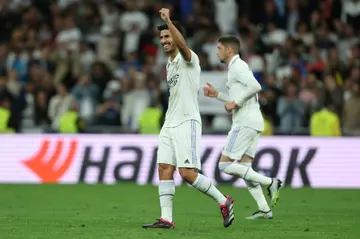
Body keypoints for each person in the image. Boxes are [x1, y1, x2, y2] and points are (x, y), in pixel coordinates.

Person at [142, 8, 235, 229]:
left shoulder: (189, 58)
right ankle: (166, 218)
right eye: (162, 37)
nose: (164, 41)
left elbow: (183, 46)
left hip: (187, 121)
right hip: (170, 123)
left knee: (187, 173)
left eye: (167, 36)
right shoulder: (169, 64)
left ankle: (224, 200)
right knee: (164, 167)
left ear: (176, 37)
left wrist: (167, 21)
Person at [203, 35, 282, 219]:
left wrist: (235, 102)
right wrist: (218, 95)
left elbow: (256, 86)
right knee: (246, 168)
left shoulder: (238, 66)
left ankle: (271, 182)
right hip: (253, 121)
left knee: (224, 164)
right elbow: (236, 99)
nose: (217, 52)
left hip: (245, 122)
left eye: (219, 48)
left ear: (229, 50)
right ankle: (264, 209)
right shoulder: (234, 68)